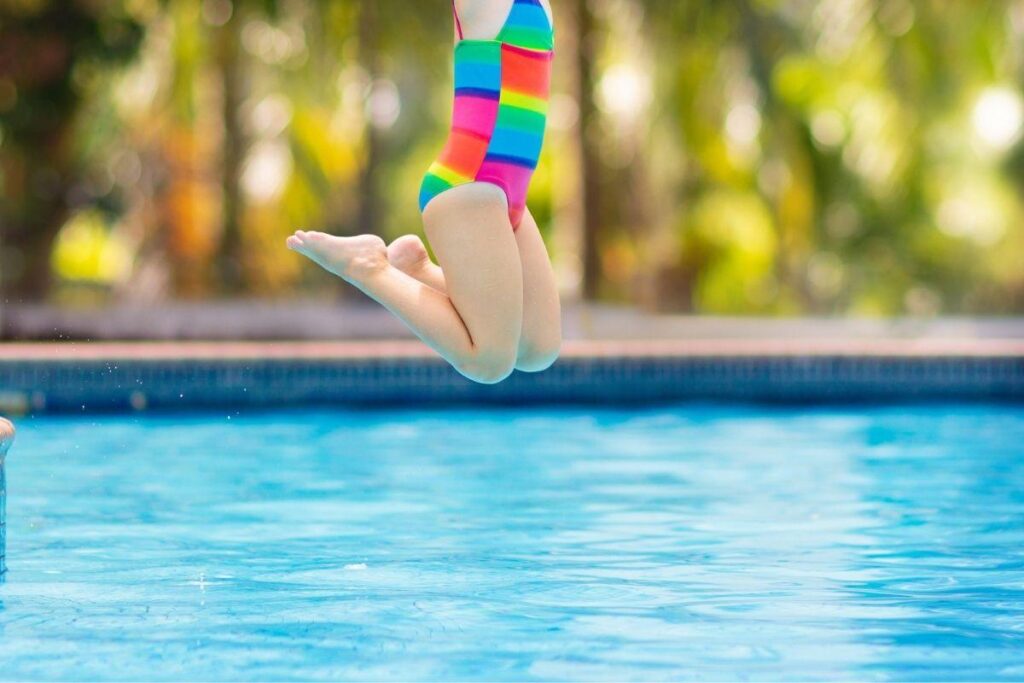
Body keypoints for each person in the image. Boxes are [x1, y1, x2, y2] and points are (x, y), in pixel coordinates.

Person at [287, 0, 561, 385]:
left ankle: (416, 269)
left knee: (537, 348)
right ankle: (368, 267)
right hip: (469, 184)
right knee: (488, 361)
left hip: (509, 194)